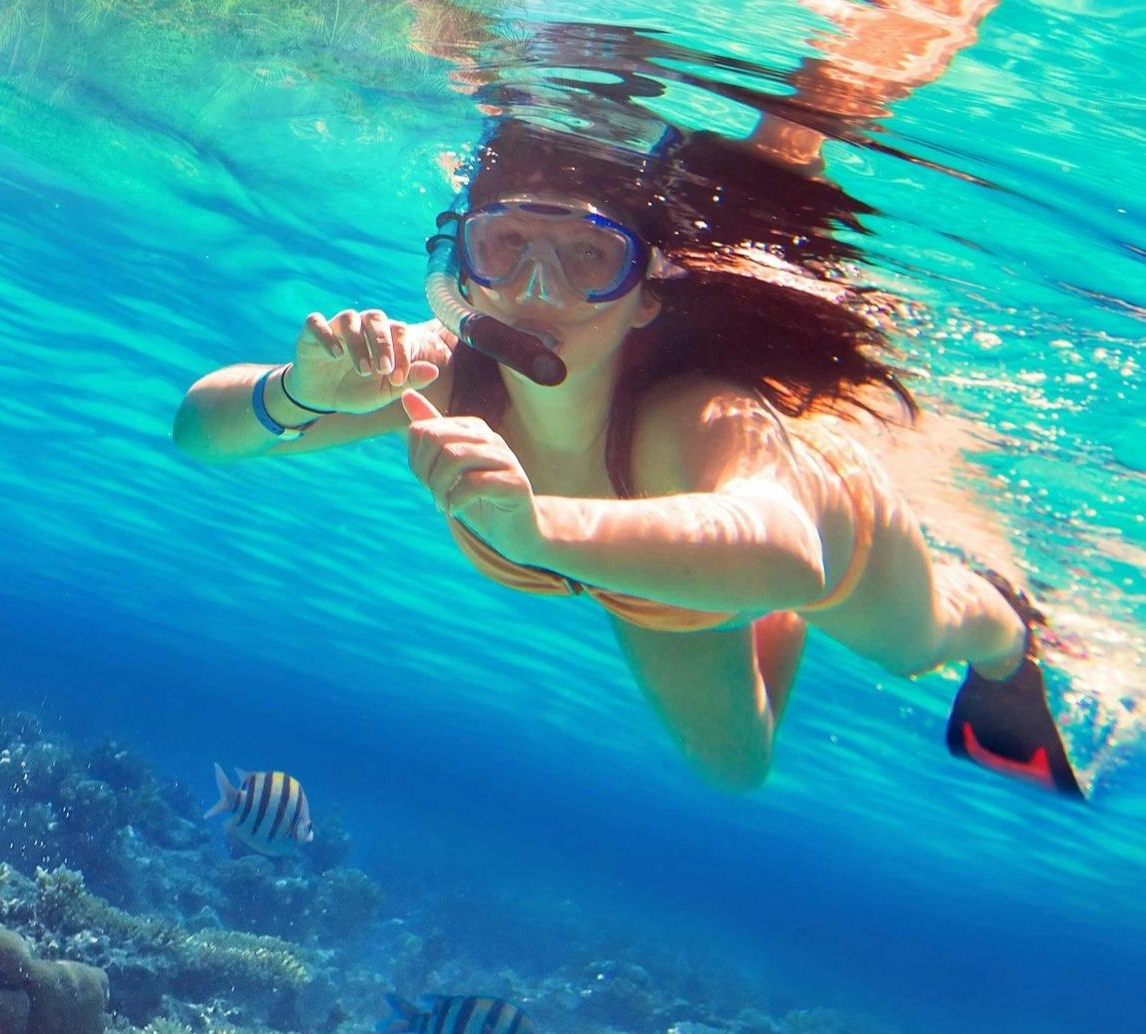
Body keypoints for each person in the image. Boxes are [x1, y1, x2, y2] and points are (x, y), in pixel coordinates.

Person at [171, 118, 1082, 797]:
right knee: (736, 769)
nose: (538, 290)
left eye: (587, 258)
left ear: (644, 294)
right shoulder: (446, 370)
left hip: (816, 529)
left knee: (925, 640)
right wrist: (299, 392)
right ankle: (713, 585)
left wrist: (539, 527)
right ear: (461, 267)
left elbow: (788, 552)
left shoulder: (694, 412)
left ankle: (1011, 635)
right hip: (657, 580)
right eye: (507, 246)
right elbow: (196, 433)